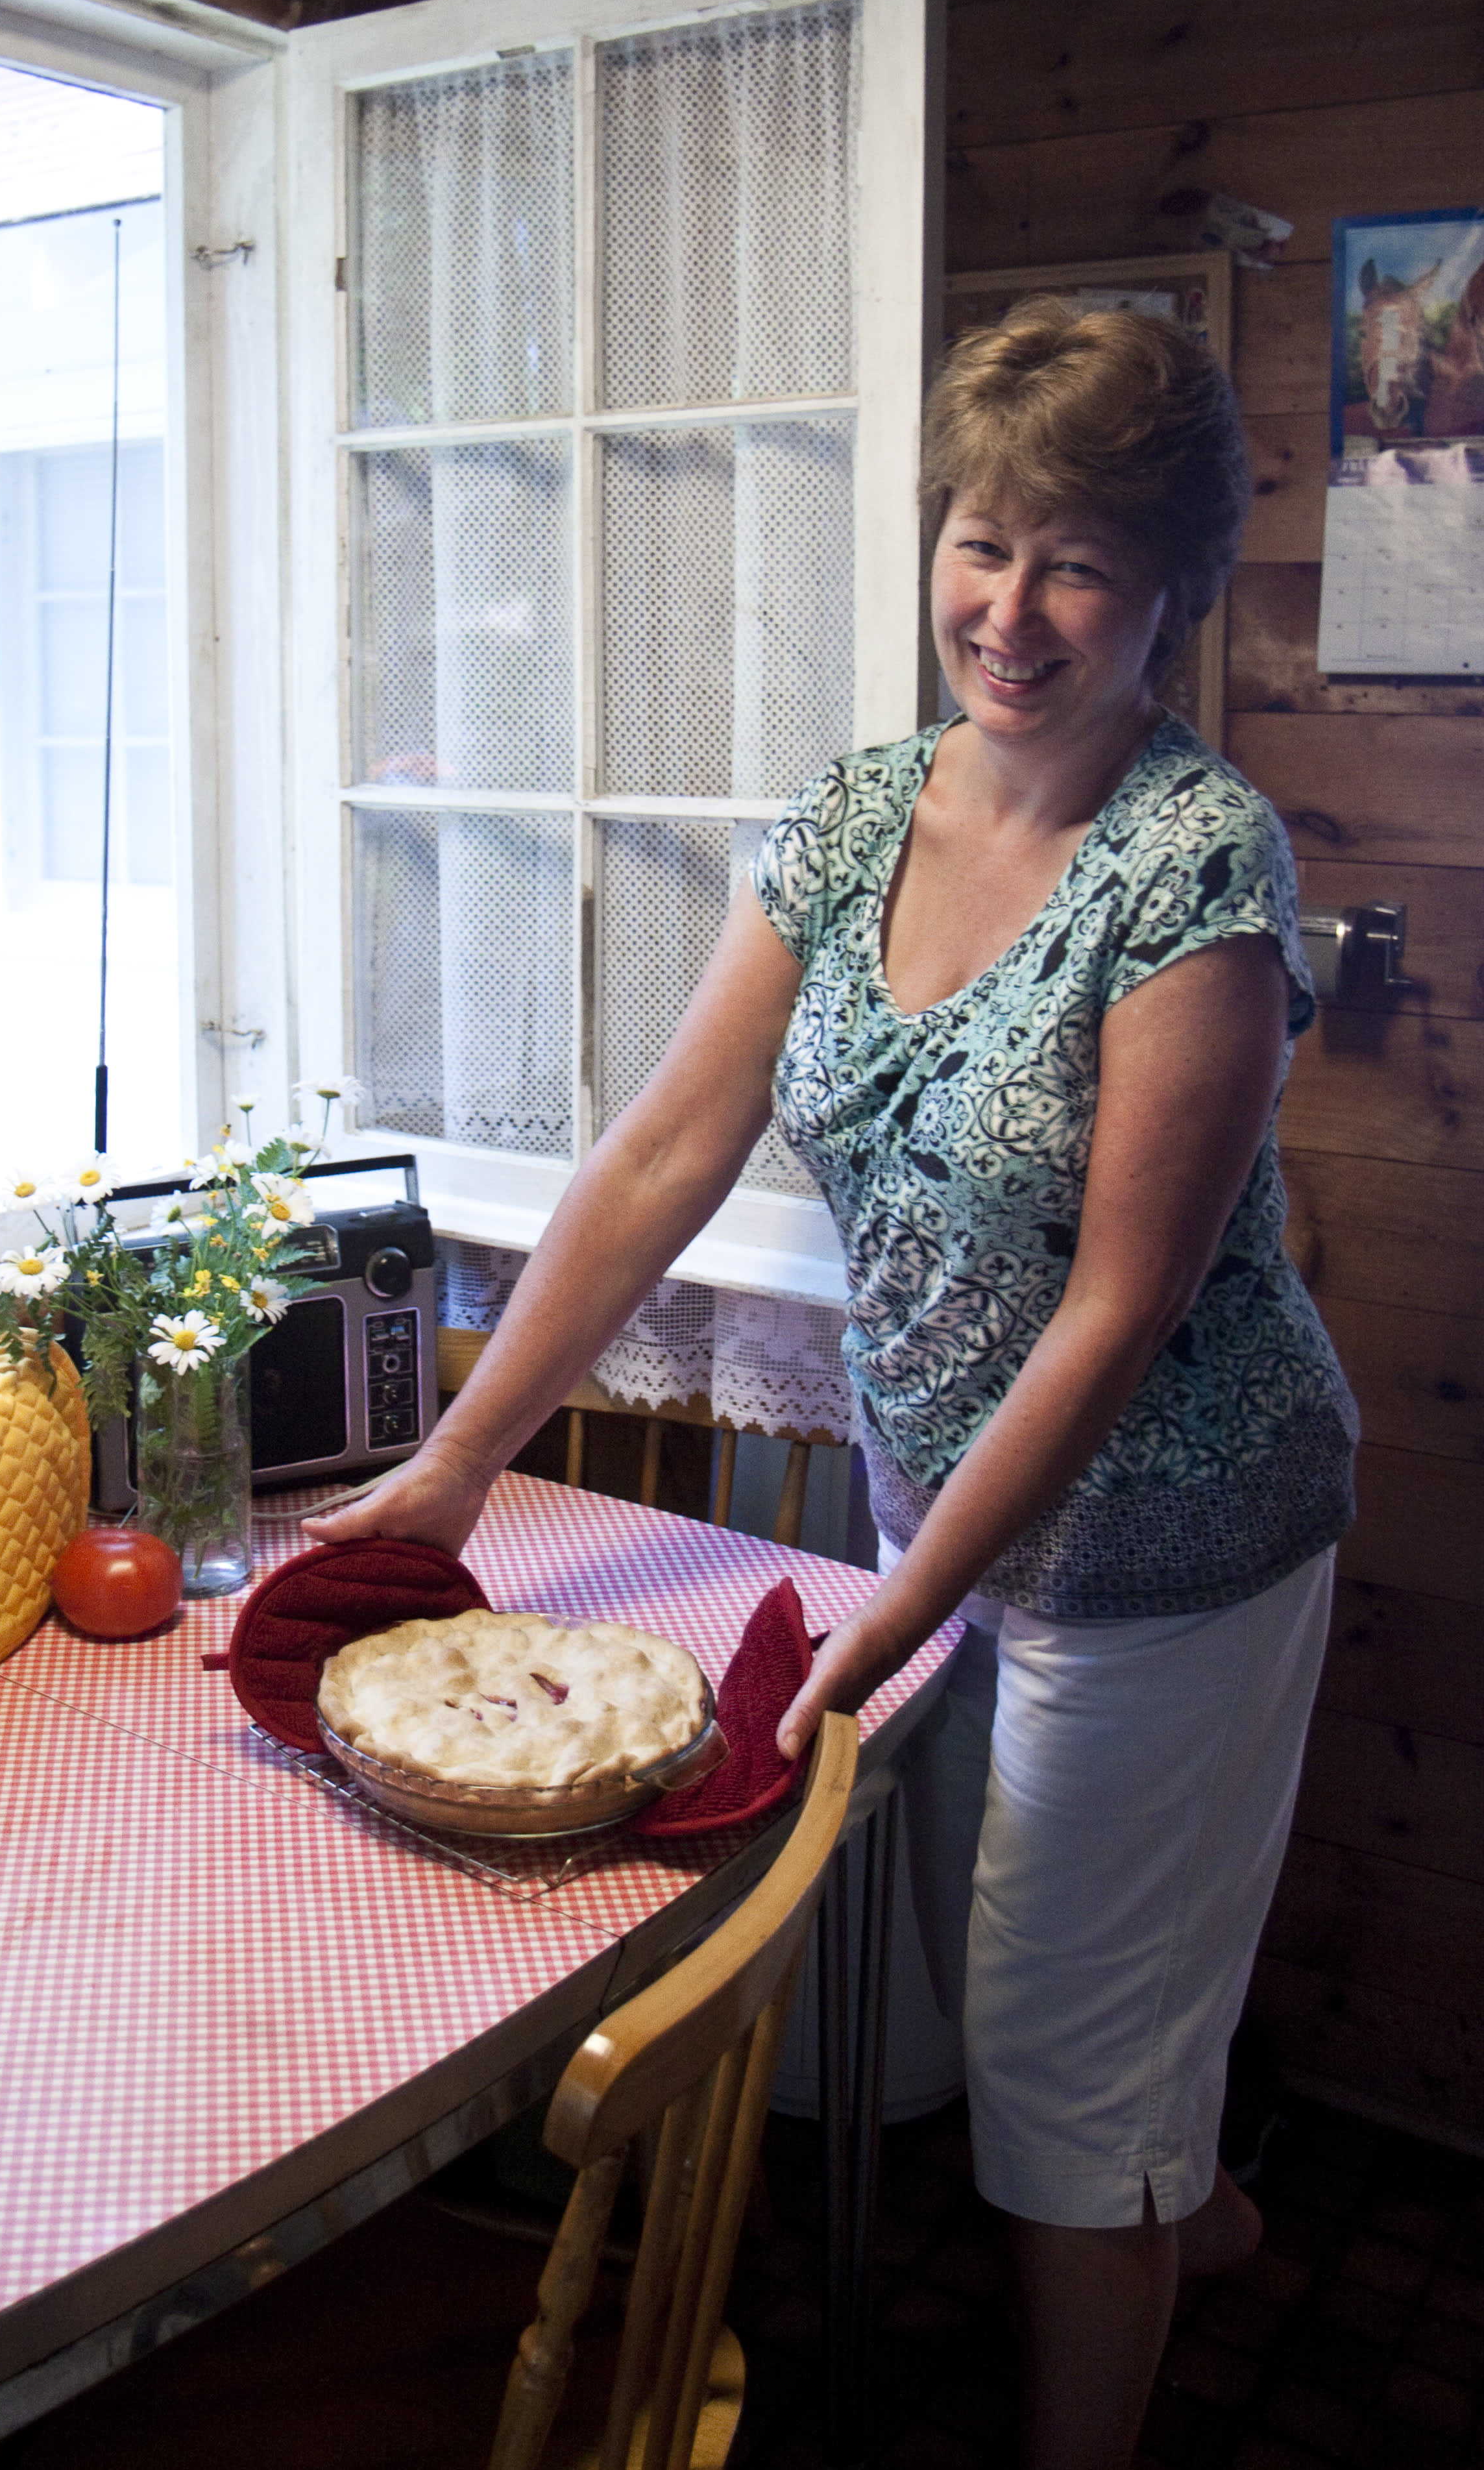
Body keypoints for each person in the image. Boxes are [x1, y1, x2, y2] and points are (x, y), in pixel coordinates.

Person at [305, 299, 1357, 2470]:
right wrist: (453, 1467)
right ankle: (1196, 2198)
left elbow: (1116, 1312)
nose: (1013, 608)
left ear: (1168, 590)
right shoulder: (857, 812)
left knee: (1059, 2095)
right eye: (984, 540)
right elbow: (663, 1155)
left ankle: (1117, 2335)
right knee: (1024, 2004)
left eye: (1076, 561)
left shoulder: (1196, 869)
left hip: (1166, 1536)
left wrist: (901, 1615)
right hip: (950, 1511)